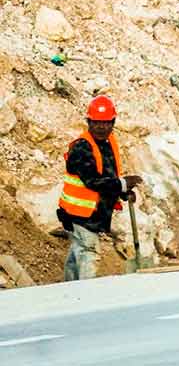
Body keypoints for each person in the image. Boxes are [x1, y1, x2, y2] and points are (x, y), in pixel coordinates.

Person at [57, 96, 143, 281]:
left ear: (113, 123)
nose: (102, 127)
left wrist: (122, 191)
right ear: (89, 122)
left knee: (77, 253)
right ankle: (86, 298)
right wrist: (122, 183)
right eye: (97, 123)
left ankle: (68, 292)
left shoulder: (107, 142)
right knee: (88, 252)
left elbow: (107, 176)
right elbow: (93, 181)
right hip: (80, 215)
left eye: (106, 123)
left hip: (94, 214)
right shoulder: (82, 147)